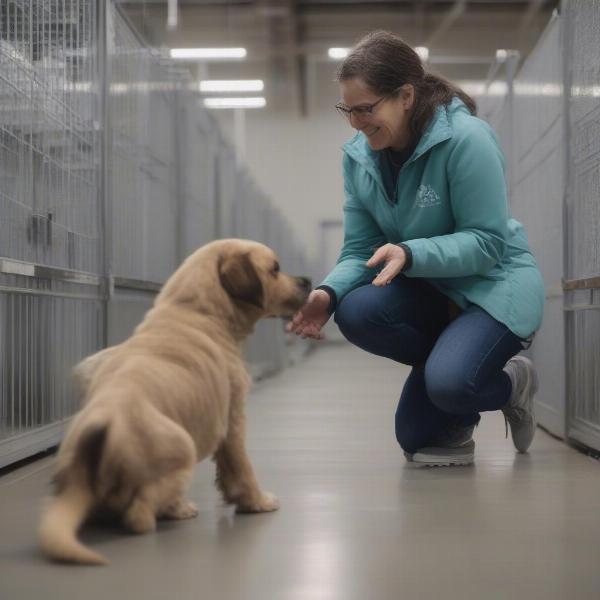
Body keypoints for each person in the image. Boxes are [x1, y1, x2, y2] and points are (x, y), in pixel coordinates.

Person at [287, 30, 544, 467]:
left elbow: (487, 241)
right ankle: (456, 363)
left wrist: (411, 252)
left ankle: (511, 383)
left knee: (450, 387)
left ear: (406, 96)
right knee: (357, 313)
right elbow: (360, 251)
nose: (356, 122)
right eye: (347, 110)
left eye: (365, 109)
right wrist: (327, 295)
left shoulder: (467, 139)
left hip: (493, 288)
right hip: (436, 293)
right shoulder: (359, 157)